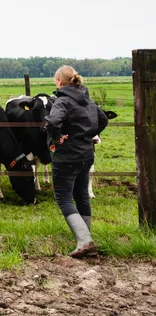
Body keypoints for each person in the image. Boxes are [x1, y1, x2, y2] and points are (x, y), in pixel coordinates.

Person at [43, 65, 109, 258]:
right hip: (87, 155)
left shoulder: (62, 101)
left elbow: (53, 122)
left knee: (63, 198)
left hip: (67, 157)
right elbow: (103, 119)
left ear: (58, 82)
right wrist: (88, 135)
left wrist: (56, 137)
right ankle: (86, 240)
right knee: (82, 195)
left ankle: (84, 240)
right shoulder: (87, 100)